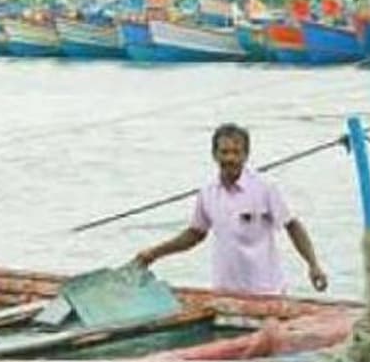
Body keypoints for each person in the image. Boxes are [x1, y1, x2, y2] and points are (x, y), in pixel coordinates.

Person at [135, 123, 328, 295]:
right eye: (224, 152)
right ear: (214, 154)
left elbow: (292, 225)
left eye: (236, 152)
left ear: (246, 155)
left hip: (267, 291)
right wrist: (154, 253)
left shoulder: (265, 187)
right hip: (225, 293)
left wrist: (313, 265)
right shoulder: (208, 192)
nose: (230, 158)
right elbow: (195, 234)